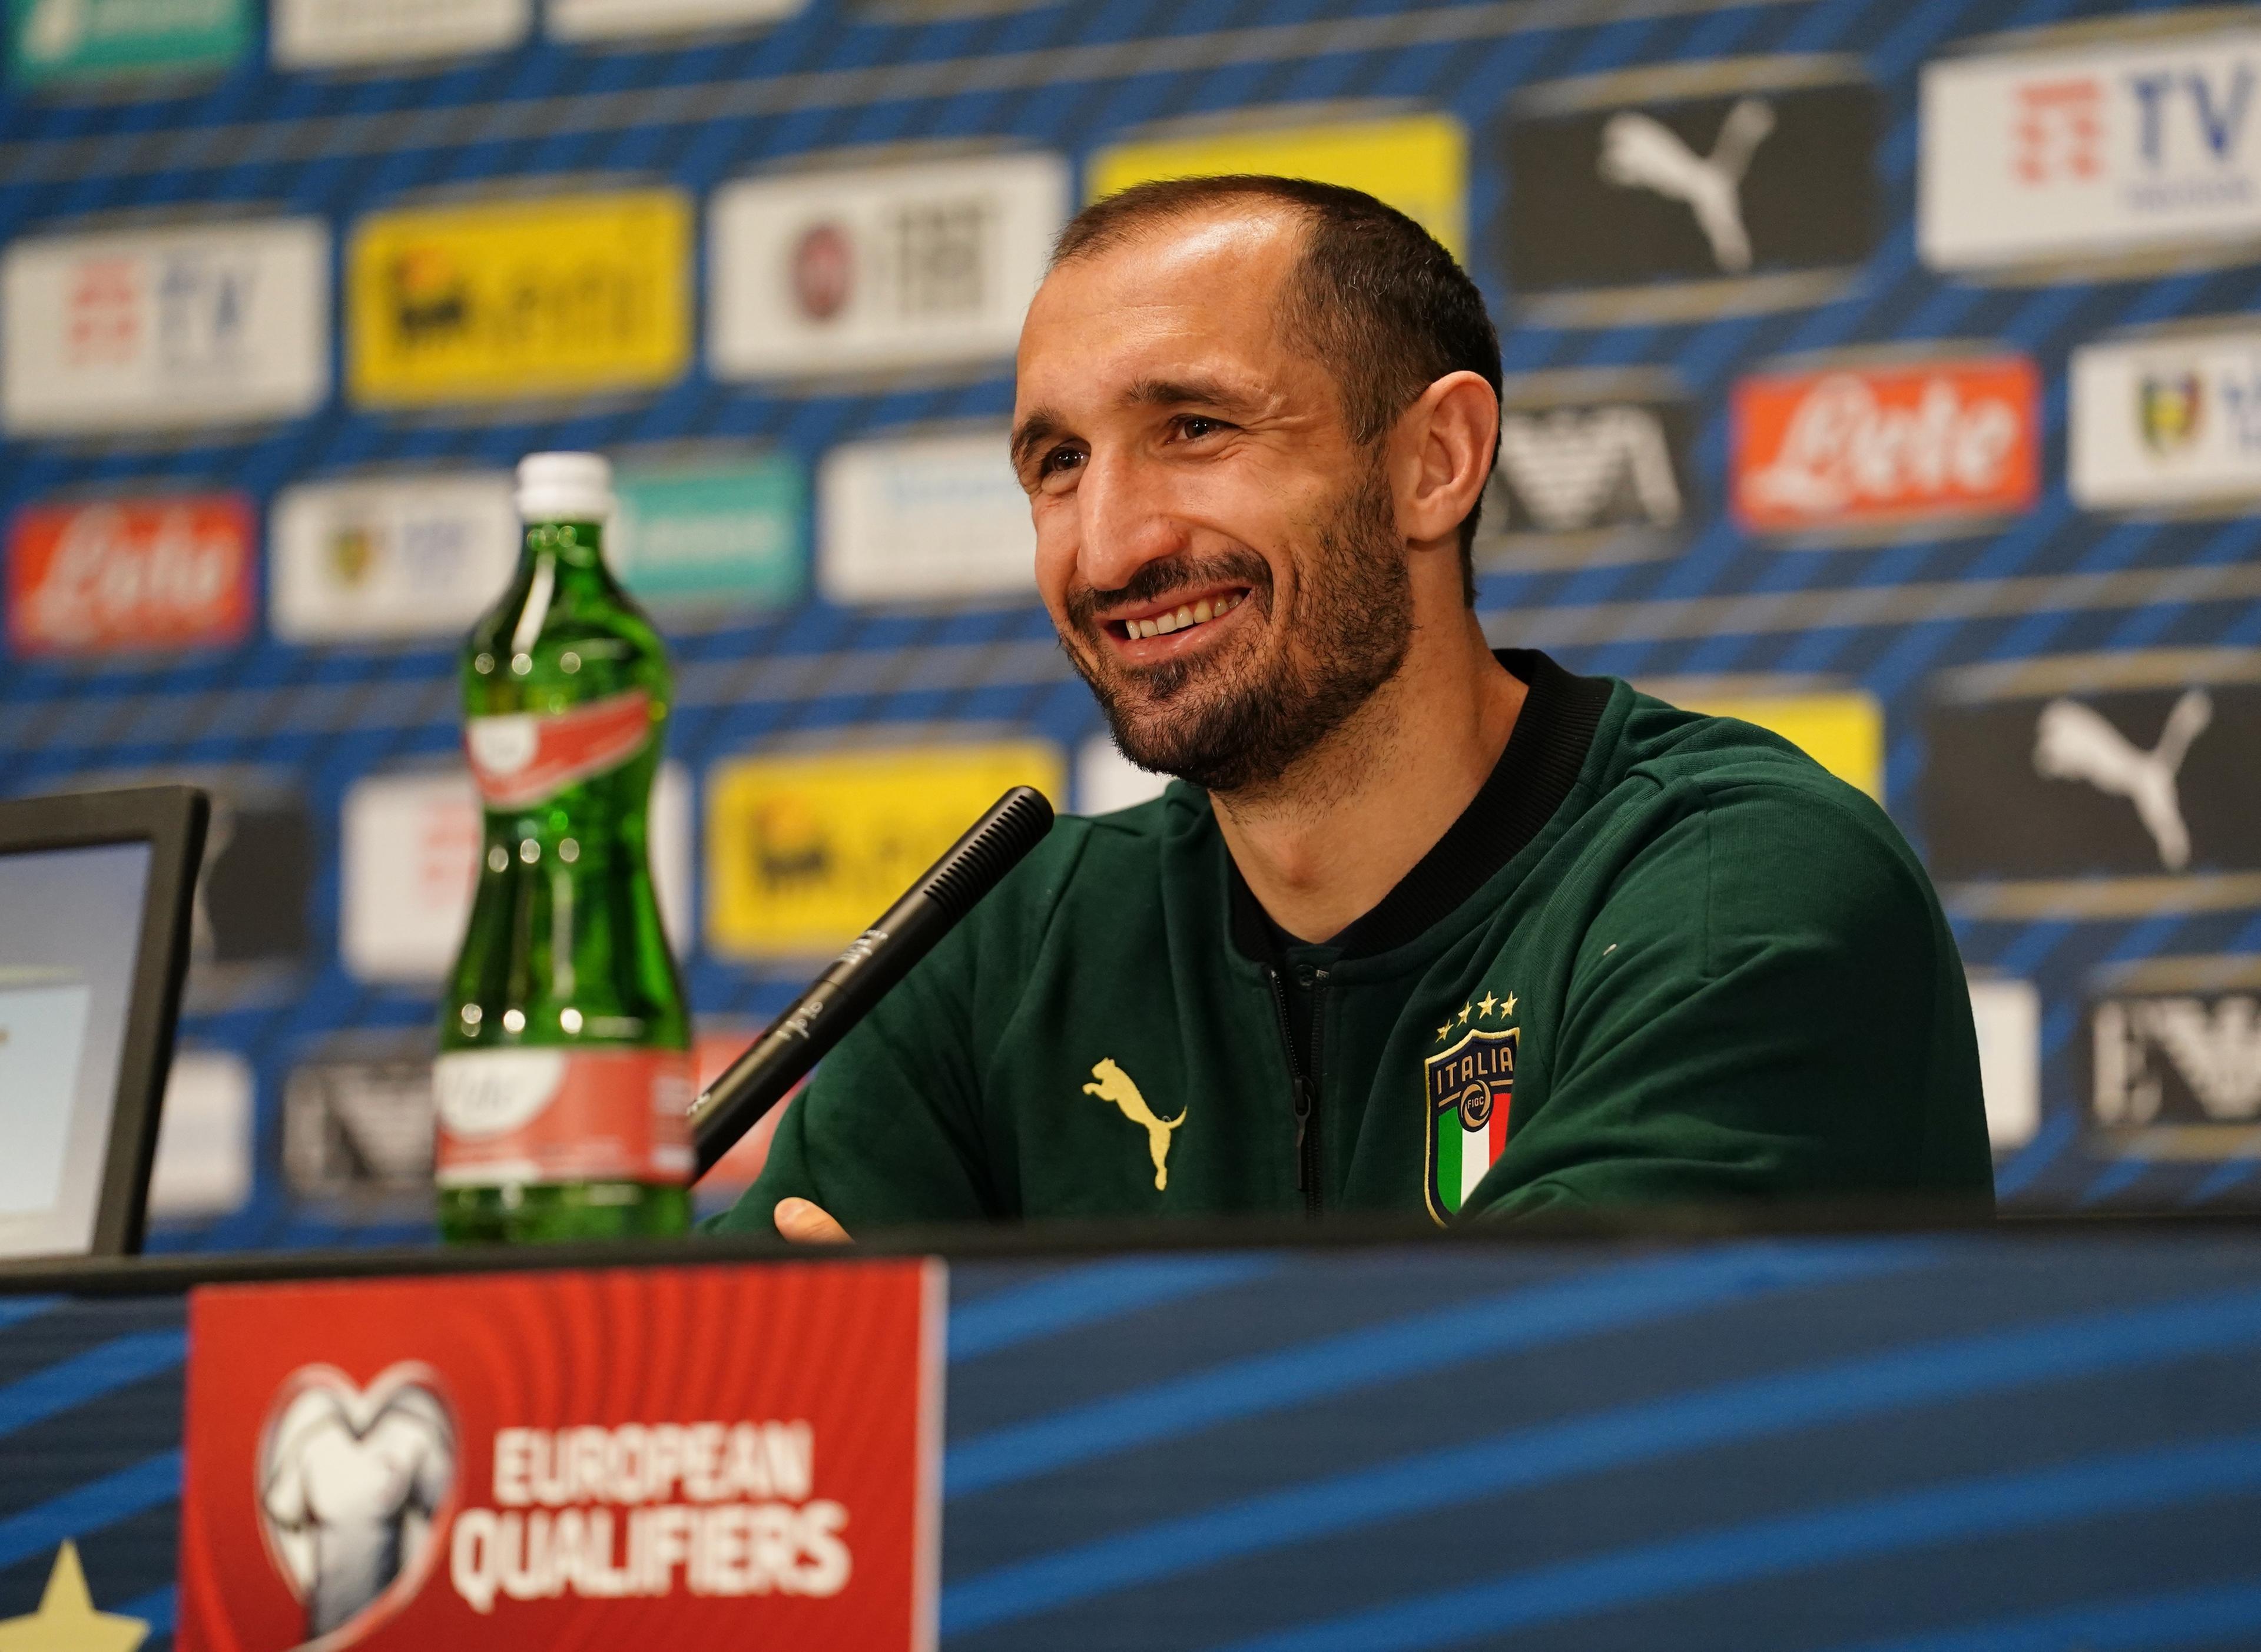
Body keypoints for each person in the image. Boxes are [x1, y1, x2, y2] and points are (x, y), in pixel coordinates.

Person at [712, 175, 1993, 1244]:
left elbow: (1495, 1456)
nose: (1106, 548)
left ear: (1434, 461)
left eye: (1196, 427)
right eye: (1059, 464)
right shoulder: (1007, 947)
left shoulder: (1742, 887)